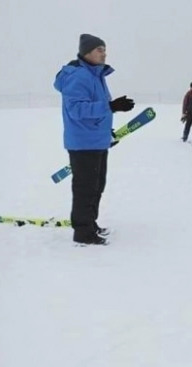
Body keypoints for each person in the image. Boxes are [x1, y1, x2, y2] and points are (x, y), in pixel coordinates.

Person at [53, 33, 135, 245]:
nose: (104, 53)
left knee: (97, 186)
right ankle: (83, 233)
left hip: (95, 140)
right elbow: (77, 109)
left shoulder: (95, 75)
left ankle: (90, 224)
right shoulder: (79, 76)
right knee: (85, 189)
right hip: (83, 143)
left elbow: (97, 111)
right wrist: (110, 106)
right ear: (87, 52)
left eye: (104, 49)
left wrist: (107, 130)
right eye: (100, 49)